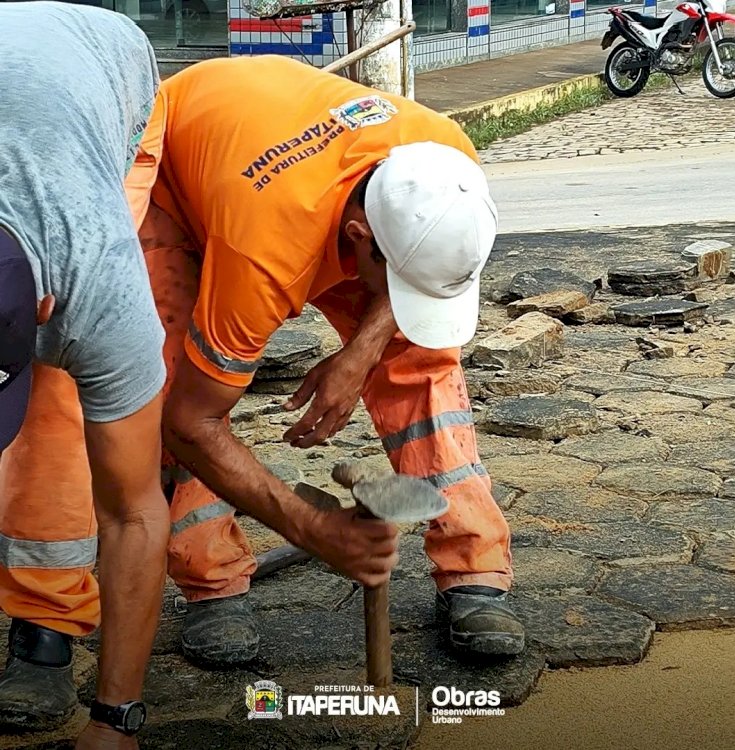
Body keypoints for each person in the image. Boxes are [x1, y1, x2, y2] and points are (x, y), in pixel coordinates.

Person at [0, 52, 525, 730]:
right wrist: (312, 528)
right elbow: (193, 421)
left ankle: (475, 570)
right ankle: (104, 610)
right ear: (360, 241)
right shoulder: (265, 246)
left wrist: (360, 353)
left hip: (287, 169)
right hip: (176, 178)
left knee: (420, 359)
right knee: (129, 379)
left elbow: (418, 272)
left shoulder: (446, 166)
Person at [0, 2, 171, 745]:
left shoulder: (94, 281)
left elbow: (135, 513)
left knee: (66, 397)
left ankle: (45, 614)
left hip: (111, 78)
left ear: (42, 306)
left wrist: (117, 719)